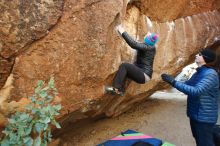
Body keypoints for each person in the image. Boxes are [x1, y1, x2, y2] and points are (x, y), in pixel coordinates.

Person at [161, 48, 219, 146]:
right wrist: (171, 80)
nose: (196, 55)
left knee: (205, 143)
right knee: (199, 140)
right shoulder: (199, 72)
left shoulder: (210, 74)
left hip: (204, 117)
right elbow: (186, 85)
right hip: (195, 115)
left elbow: (196, 91)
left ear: (205, 58)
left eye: (199, 54)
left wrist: (173, 82)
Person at [105, 25, 159, 96]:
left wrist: (122, 31)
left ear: (148, 40)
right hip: (144, 75)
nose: (145, 37)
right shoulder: (151, 47)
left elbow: (133, 44)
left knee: (124, 66)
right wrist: (149, 36)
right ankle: (120, 91)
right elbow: (145, 41)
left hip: (143, 75)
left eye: (147, 37)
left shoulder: (148, 47)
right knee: (125, 72)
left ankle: (116, 88)